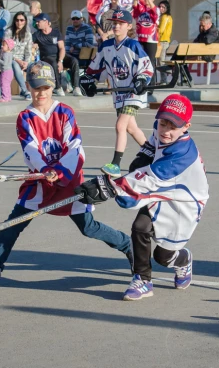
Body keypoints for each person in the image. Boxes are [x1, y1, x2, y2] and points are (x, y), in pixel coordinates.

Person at [0, 61, 133, 289]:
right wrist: (45, 170)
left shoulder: (65, 112)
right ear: (27, 86)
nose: (40, 92)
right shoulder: (25, 117)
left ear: (52, 86)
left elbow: (75, 147)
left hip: (68, 183)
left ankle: (129, 247)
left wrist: (59, 171)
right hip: (40, 183)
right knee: (12, 225)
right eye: (35, 87)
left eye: (45, 88)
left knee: (89, 228)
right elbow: (30, 149)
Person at [74, 93, 209, 301]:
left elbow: (148, 179)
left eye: (172, 127)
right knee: (140, 227)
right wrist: (140, 159)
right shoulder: (160, 132)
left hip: (185, 201)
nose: (165, 130)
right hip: (162, 190)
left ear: (186, 126)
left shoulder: (183, 153)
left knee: (163, 257)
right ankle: (143, 280)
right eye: (163, 123)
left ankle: (182, 259)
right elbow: (150, 149)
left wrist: (107, 186)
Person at [81, 9, 153, 178]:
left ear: (129, 26)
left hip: (133, 93)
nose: (116, 26)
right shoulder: (106, 46)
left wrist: (141, 80)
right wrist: (87, 79)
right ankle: (153, 153)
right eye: (115, 23)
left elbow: (147, 67)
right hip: (119, 93)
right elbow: (97, 67)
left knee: (120, 125)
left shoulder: (133, 46)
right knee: (131, 128)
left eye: (120, 24)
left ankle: (115, 164)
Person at [32, 13, 81, 97]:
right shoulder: (36, 35)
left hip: (59, 57)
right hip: (47, 58)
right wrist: (33, 47)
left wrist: (61, 61)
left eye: (38, 21)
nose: (36, 23)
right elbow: (30, 45)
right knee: (53, 63)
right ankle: (58, 87)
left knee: (74, 61)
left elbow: (62, 48)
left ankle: (76, 87)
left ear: (46, 22)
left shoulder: (56, 33)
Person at [132, 0, 159, 84]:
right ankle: (139, 82)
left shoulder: (156, 9)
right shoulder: (141, 8)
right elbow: (134, 4)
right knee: (139, 61)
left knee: (150, 62)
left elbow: (155, 11)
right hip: (139, 39)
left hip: (151, 40)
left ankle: (151, 85)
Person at [4, 11, 33, 100]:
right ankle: (25, 91)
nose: (19, 22)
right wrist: (18, 60)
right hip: (10, 58)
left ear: (25, 21)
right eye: (17, 20)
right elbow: (6, 50)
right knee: (15, 65)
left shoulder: (28, 34)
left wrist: (26, 63)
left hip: (23, 60)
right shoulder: (8, 32)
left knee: (35, 67)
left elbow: (28, 51)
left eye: (22, 20)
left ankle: (38, 90)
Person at [157, 0, 173, 82]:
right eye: (160, 6)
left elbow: (161, 30)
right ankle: (164, 79)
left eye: (163, 7)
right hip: (165, 40)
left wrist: (154, 30)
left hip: (162, 41)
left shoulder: (165, 17)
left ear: (167, 8)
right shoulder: (168, 17)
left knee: (161, 61)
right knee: (160, 61)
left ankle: (165, 79)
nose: (161, 9)